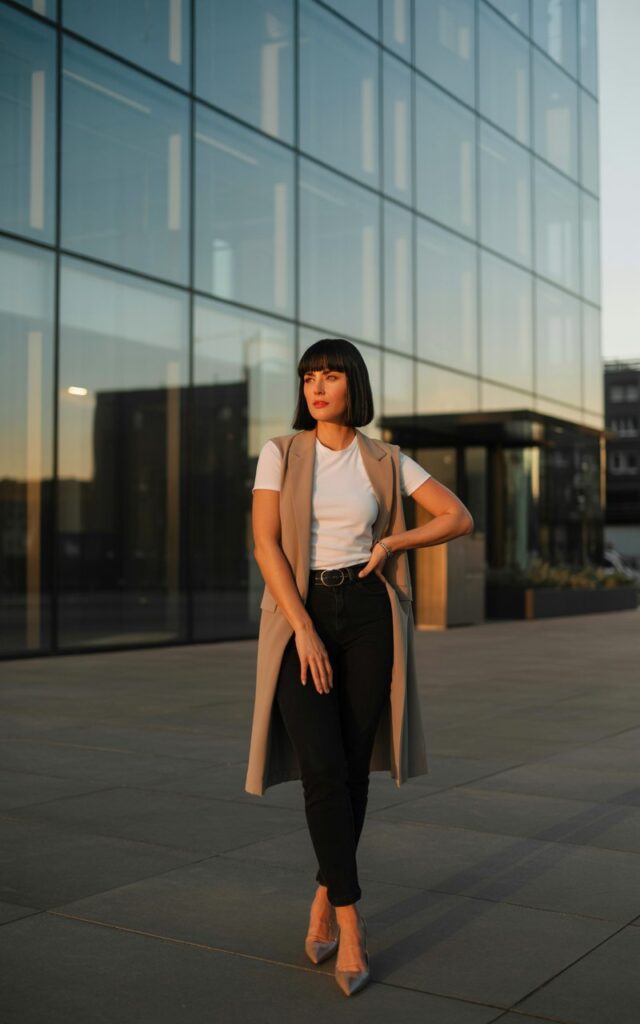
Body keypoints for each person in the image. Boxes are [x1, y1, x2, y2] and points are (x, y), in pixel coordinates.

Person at [250, 338, 474, 996]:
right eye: (308, 377)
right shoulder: (281, 453)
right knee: (321, 768)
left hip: (370, 612)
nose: (317, 387)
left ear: (354, 386)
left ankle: (326, 896)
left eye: (330, 376)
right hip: (300, 611)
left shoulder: (386, 459)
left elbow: (458, 517)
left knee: (350, 767)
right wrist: (303, 629)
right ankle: (351, 923)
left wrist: (396, 540)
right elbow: (266, 543)